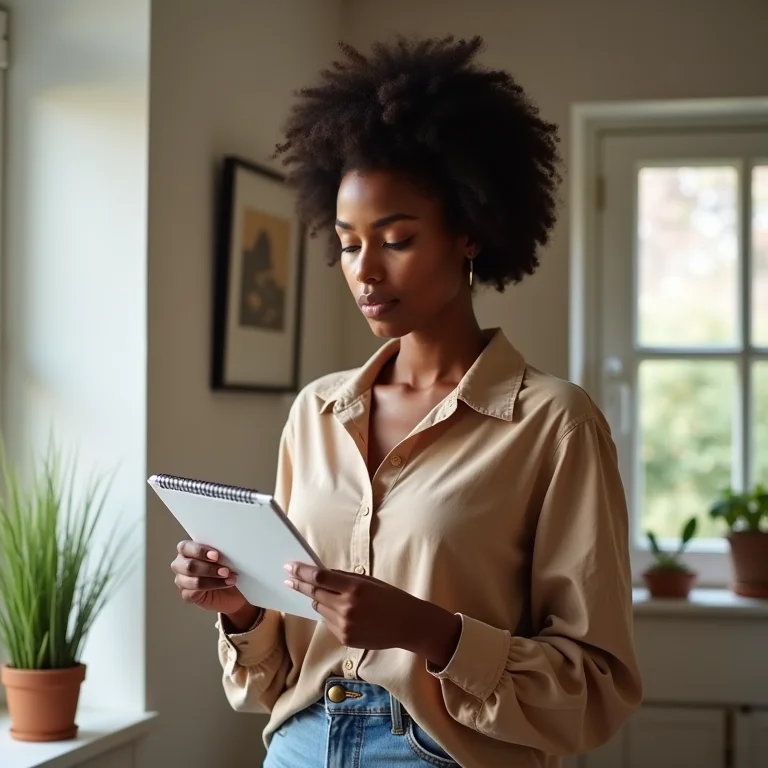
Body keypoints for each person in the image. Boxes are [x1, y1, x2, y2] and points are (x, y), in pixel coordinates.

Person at [170, 35, 642, 768]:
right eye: (350, 243)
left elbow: (596, 688)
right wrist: (240, 608)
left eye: (396, 238)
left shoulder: (554, 424)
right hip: (299, 745)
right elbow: (279, 673)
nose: (366, 272)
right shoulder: (316, 413)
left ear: (470, 234)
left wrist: (433, 633)